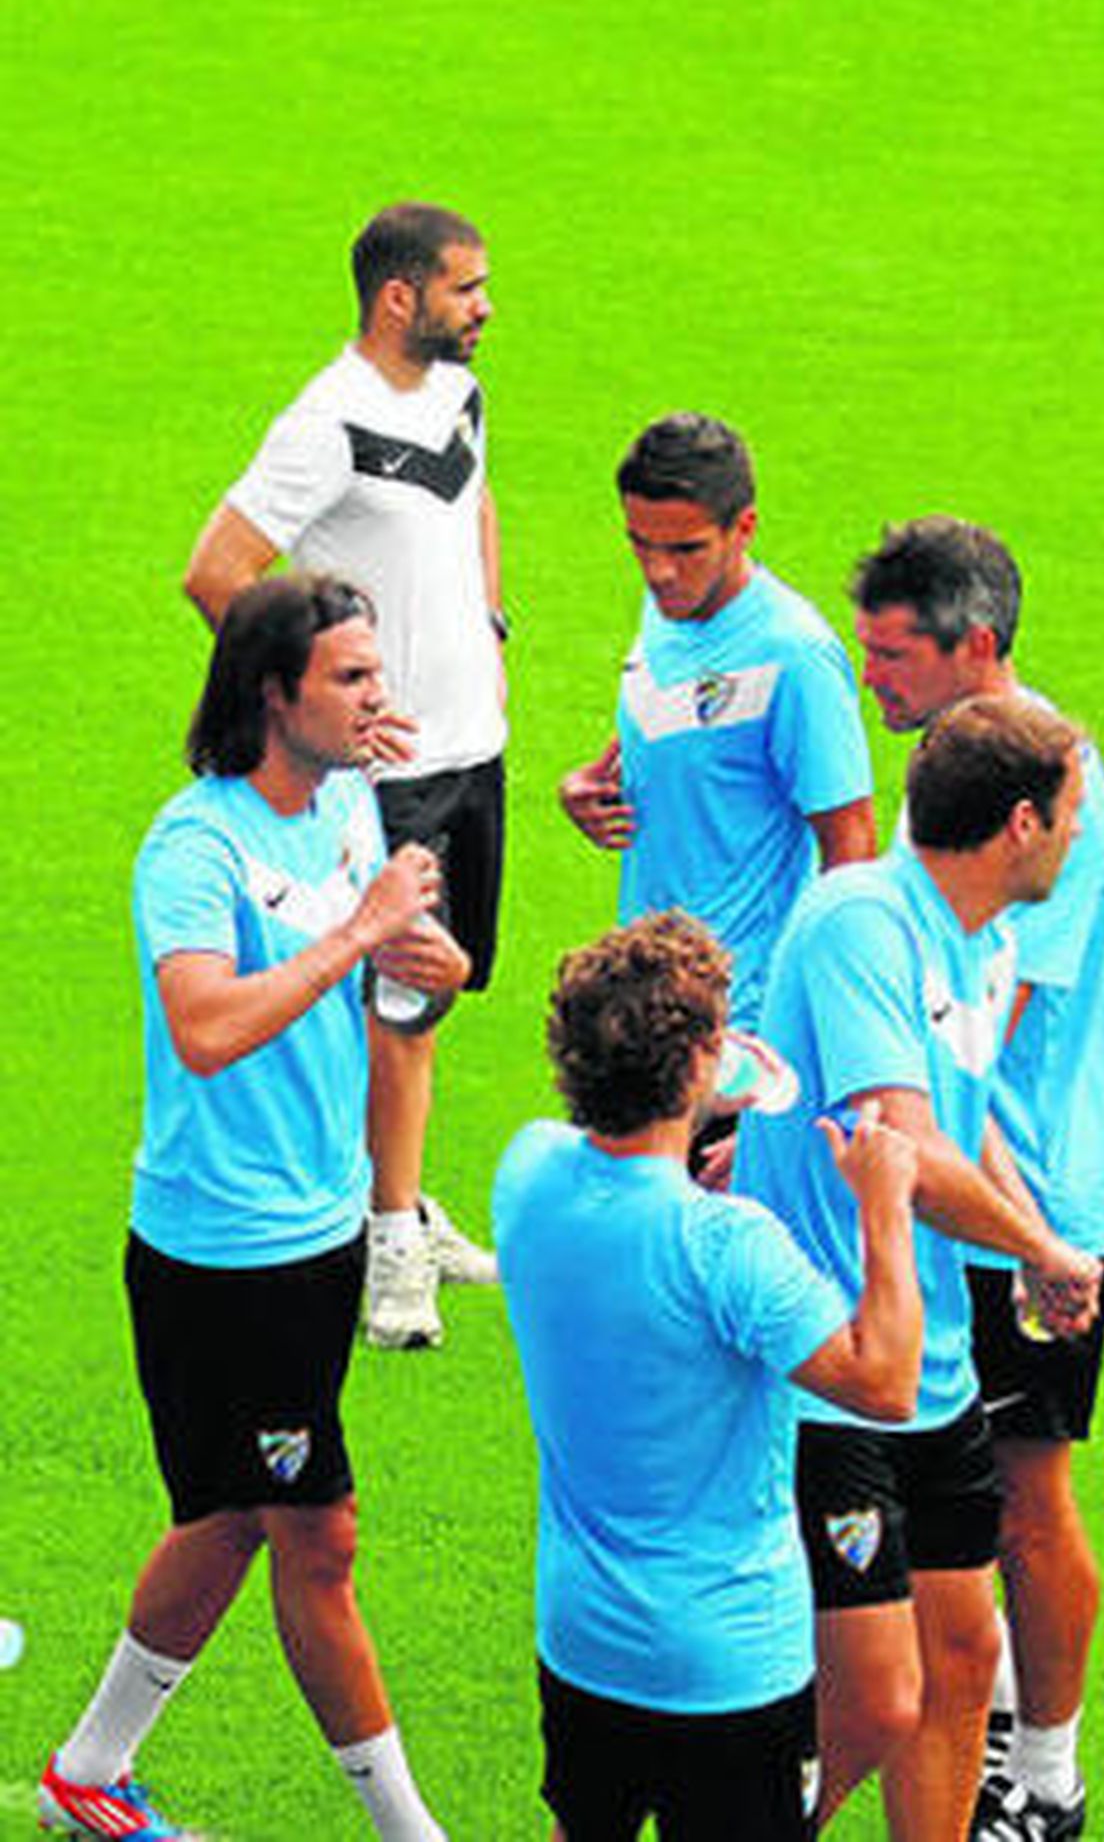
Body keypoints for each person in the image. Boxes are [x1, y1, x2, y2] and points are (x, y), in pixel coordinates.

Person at [40, 576, 465, 1840]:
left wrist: (418, 971)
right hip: (223, 1254)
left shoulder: (344, 799)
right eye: (349, 677)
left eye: (375, 671)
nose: (377, 696)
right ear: (271, 694)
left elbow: (377, 993)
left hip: (316, 1229)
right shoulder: (196, 846)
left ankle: (86, 1770)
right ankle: (412, 1832)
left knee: (225, 1518)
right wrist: (361, 932)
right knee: (314, 1534)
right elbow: (207, 1026)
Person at [736, 696, 1104, 1842]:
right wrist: (1039, 1246)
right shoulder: (863, 921)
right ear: (1019, 824)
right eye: (1073, 814)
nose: (1084, 834)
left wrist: (1030, 1230)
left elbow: (963, 1106)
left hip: (929, 1357)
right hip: (829, 1370)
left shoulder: (981, 937)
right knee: (865, 1694)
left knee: (958, 1653)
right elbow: (900, 1138)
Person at [493, 912, 924, 1841]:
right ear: (695, 1067)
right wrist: (885, 1209)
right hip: (728, 1663)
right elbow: (886, 1384)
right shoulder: (729, 1248)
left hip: (582, 1639)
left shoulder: (524, 1171)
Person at [183, 200, 506, 1351]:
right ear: (398, 298)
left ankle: (401, 1192)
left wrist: (491, 621)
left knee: (439, 989)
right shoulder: (327, 424)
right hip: (399, 774)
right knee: (402, 1003)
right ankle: (389, 1251)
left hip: (474, 746)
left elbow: (475, 499)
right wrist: (332, 710)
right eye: (466, 288)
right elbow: (218, 569)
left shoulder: (456, 393)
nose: (484, 307)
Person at [851, 517, 1104, 1841]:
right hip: (958, 1192)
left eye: (897, 656)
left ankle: (1048, 1776)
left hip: (1028, 1198)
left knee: (1027, 1490)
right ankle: (986, 1725)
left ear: (978, 647)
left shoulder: (1054, 787)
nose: (875, 680)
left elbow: (984, 1020)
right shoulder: (945, 778)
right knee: (951, 1493)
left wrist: (1026, 1232)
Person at [559, 412, 878, 1034]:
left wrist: (815, 1014)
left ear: (744, 529)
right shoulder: (666, 611)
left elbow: (852, 844)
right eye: (640, 543)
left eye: (685, 549)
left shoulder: (794, 654)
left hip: (739, 1024)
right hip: (643, 1003)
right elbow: (680, 749)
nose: (658, 571)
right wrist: (585, 793)